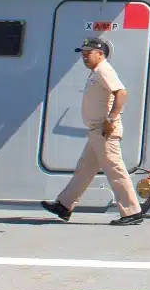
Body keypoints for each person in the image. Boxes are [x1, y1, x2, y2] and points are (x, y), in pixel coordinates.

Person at [39, 38, 144, 226]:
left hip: (105, 131)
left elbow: (121, 93)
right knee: (84, 169)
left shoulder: (104, 70)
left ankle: (132, 211)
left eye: (88, 53)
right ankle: (64, 205)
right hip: (97, 132)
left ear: (100, 54)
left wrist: (111, 119)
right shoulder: (96, 72)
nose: (84, 57)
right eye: (83, 54)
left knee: (115, 169)